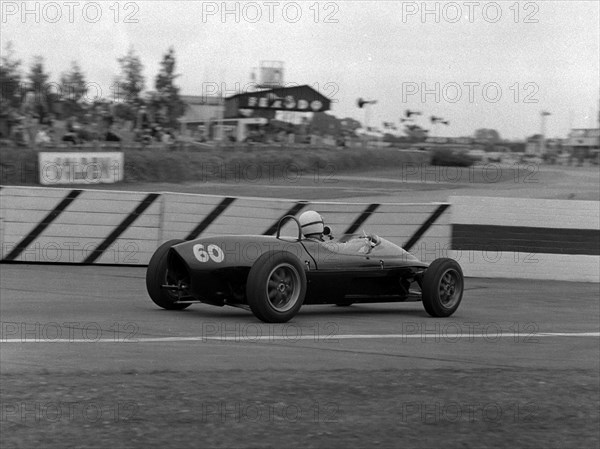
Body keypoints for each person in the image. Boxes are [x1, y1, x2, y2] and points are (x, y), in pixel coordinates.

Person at [298, 210, 379, 253]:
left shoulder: (302, 243)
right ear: (318, 226)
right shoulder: (327, 246)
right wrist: (364, 240)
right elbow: (346, 247)